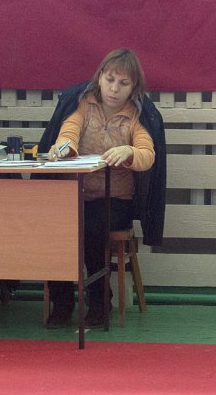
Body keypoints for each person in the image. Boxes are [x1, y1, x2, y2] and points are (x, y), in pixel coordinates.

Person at [42, 49, 157, 329]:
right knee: (55, 229)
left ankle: (99, 301)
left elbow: (148, 155)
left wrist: (129, 150)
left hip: (113, 199)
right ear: (100, 78)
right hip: (75, 195)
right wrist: (63, 148)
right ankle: (62, 303)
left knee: (92, 228)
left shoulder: (136, 116)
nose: (114, 88)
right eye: (110, 79)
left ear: (134, 88)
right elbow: (68, 133)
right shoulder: (82, 104)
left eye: (123, 83)